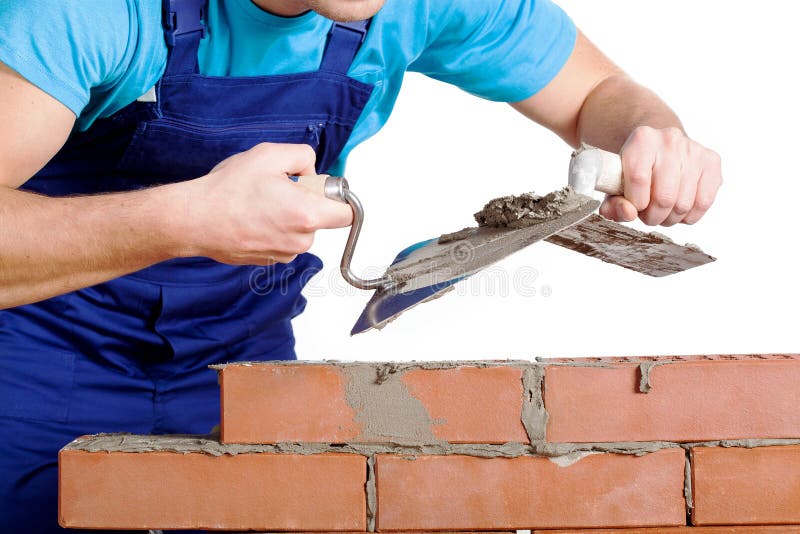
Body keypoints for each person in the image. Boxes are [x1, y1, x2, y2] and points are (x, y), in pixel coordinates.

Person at [0, 0, 722, 530]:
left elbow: (598, 94)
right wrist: (183, 220)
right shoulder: (87, 12)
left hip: (237, 368)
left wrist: (650, 134)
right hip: (35, 366)